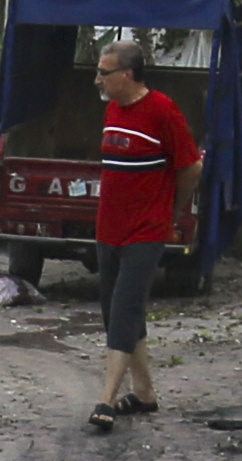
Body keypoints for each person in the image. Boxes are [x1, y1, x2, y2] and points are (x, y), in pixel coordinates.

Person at [84, 36, 203, 430]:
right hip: (109, 228)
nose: (98, 81)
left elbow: (190, 167)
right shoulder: (111, 112)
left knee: (125, 307)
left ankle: (106, 399)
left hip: (147, 229)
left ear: (127, 74)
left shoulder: (162, 111)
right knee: (114, 310)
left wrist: (173, 211)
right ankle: (146, 393)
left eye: (104, 73)